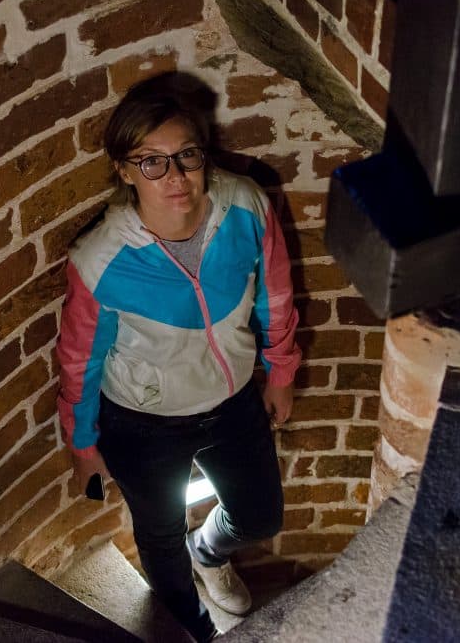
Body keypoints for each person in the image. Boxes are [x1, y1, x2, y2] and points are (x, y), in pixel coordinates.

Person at [55, 72, 300, 643]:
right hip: (142, 424)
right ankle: (191, 631)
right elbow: (78, 360)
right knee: (159, 538)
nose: (176, 176)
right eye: (152, 161)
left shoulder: (245, 207)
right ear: (124, 169)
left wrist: (281, 371)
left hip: (234, 399)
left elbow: (277, 294)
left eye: (187, 155)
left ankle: (208, 552)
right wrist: (83, 444)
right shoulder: (100, 259)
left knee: (261, 516)